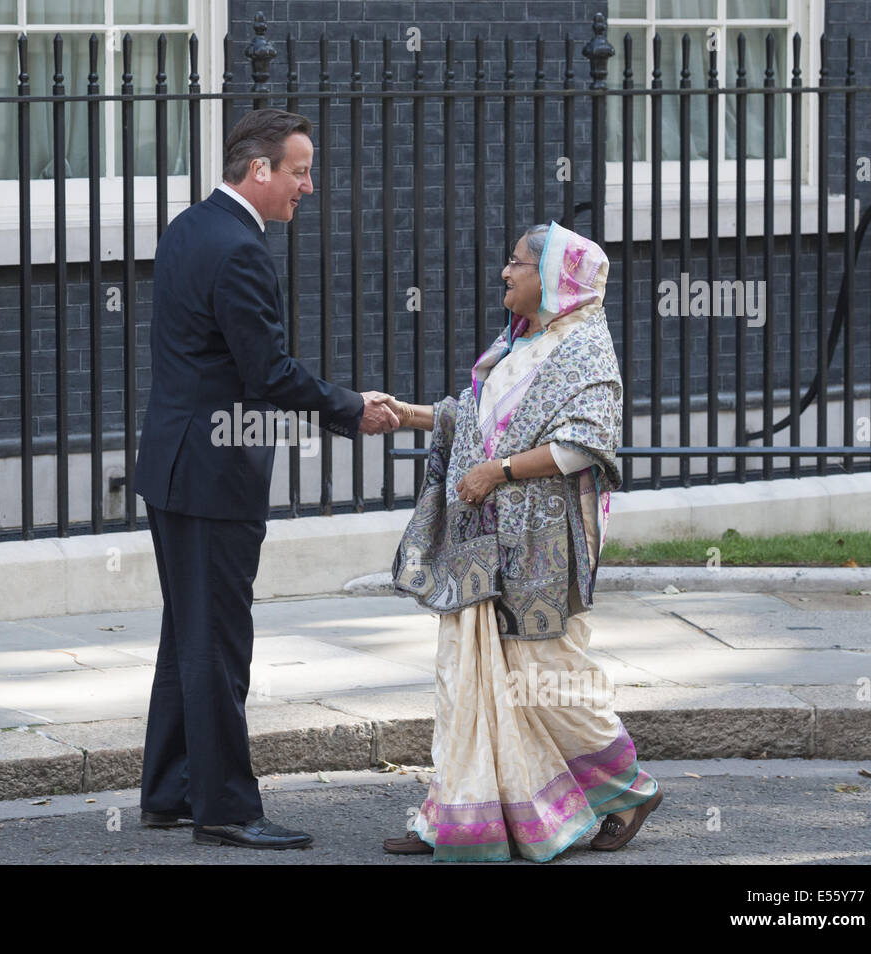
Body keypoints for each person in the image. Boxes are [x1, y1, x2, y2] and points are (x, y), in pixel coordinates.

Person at [133, 108, 400, 850]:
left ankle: (168, 791)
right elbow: (267, 372)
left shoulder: (191, 226)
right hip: (214, 474)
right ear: (260, 171)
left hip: (175, 463)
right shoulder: (241, 250)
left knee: (187, 631)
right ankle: (224, 807)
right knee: (218, 640)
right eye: (300, 170)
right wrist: (352, 407)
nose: (307, 187)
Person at [381, 221, 663, 861]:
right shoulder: (521, 341)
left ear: (554, 278)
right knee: (466, 677)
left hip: (538, 550)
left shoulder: (584, 348)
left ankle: (630, 787)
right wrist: (412, 414)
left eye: (516, 263)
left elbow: (582, 446)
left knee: (545, 676)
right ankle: (458, 820)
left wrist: (496, 472)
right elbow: (477, 417)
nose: (505, 273)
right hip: (484, 541)